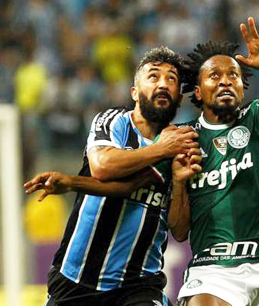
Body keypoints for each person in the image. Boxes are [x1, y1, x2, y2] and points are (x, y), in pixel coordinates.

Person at [25, 46, 202, 306]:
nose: (162, 84)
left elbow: (179, 230)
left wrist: (179, 182)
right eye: (153, 76)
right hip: (77, 278)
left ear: (178, 97)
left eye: (171, 79)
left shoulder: (183, 143)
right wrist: (160, 150)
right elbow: (103, 167)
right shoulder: (113, 121)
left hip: (139, 284)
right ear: (134, 91)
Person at [170, 17, 259, 306]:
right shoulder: (184, 141)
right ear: (197, 91)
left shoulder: (258, 119)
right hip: (213, 268)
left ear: (242, 87)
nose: (224, 81)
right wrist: (179, 183)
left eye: (233, 75)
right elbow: (180, 232)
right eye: (214, 76)